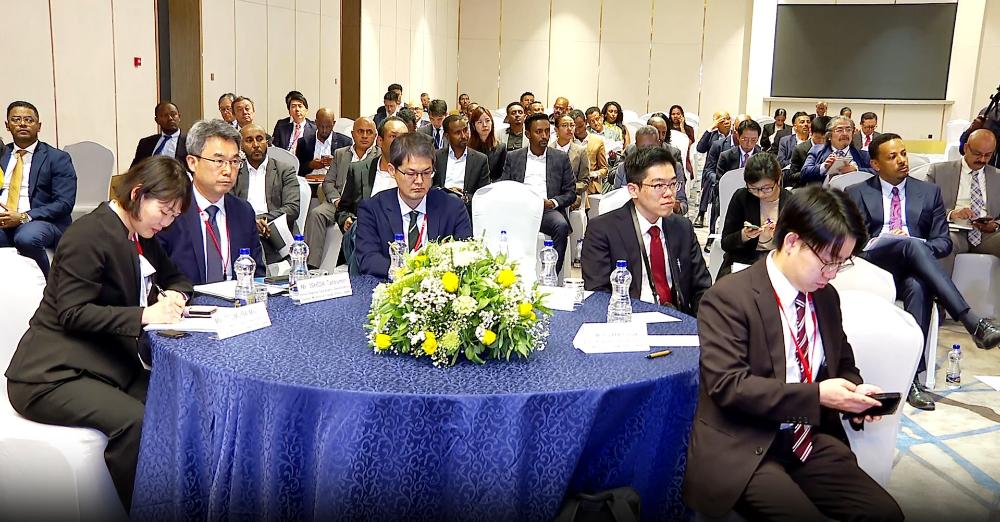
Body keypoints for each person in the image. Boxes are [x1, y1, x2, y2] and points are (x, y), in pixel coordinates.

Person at [683, 185, 903, 522]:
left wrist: (855, 394)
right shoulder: (728, 297)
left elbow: (842, 363)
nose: (831, 274)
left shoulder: (825, 297)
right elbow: (729, 386)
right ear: (791, 242)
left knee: (885, 514)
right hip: (744, 444)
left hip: (808, 438)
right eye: (827, 262)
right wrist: (818, 395)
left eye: (842, 264)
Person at [5, 156, 194, 511]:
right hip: (49, 375)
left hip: (104, 364)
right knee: (134, 423)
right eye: (164, 211)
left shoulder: (141, 234)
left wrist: (176, 295)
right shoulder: (88, 234)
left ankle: (182, 500)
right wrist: (145, 315)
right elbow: (73, 313)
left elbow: (178, 278)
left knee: (175, 397)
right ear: (137, 194)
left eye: (174, 216)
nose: (166, 222)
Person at [846, 133, 1000, 410]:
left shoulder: (929, 192)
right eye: (892, 156)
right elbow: (850, 242)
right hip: (874, 265)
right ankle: (972, 321)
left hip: (914, 267)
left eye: (903, 153)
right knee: (909, 246)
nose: (902, 160)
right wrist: (886, 240)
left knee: (918, 285)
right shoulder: (856, 192)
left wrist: (917, 245)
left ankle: (912, 380)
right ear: (876, 164)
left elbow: (942, 242)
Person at [582, 147, 709, 316]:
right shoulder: (602, 230)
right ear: (633, 190)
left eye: (673, 184)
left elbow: (702, 287)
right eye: (658, 185)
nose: (669, 193)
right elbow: (599, 296)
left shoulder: (682, 227)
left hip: (679, 319)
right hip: (628, 320)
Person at [157, 119, 264, 283]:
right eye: (219, 161)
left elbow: (257, 273)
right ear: (192, 163)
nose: (228, 170)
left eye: (234, 161)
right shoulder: (170, 211)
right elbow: (158, 279)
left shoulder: (243, 211)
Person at [355, 132, 472, 279]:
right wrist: (408, 273)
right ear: (392, 170)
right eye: (411, 174)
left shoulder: (453, 207)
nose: (419, 181)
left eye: (426, 173)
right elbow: (368, 259)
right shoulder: (372, 209)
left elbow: (466, 254)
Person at [0, 101, 78, 275]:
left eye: (29, 120)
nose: (22, 124)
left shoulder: (57, 158)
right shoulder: (2, 155)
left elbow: (64, 203)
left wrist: (24, 216)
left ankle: (52, 284)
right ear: (7, 125)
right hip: (3, 221)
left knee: (27, 238)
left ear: (39, 126)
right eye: (16, 119)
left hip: (39, 221)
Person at [501, 113, 576, 273]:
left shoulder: (560, 158)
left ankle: (550, 275)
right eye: (539, 132)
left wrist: (553, 202)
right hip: (520, 209)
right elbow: (505, 187)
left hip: (546, 210)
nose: (544, 136)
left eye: (547, 131)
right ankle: (511, 274)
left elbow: (571, 193)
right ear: (528, 134)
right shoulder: (513, 157)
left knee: (561, 225)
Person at [302, 117, 379, 266]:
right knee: (316, 213)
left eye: (369, 132)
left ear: (375, 136)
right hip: (338, 203)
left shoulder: (379, 156)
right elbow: (328, 182)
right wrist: (336, 200)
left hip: (364, 205)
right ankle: (312, 265)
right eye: (360, 131)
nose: (364, 136)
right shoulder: (340, 153)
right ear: (353, 134)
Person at [335, 117, 408, 270]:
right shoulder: (359, 170)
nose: (400, 142)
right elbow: (342, 210)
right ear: (380, 141)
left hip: (403, 241)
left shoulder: (415, 174)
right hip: (364, 240)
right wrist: (346, 219)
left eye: (404, 137)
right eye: (393, 136)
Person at [928, 129, 1000, 276]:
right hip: (953, 230)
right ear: (966, 148)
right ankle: (940, 289)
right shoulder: (938, 171)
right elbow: (924, 206)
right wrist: (951, 214)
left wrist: (996, 225)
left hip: (987, 234)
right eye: (977, 154)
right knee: (945, 242)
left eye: (988, 155)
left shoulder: (998, 176)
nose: (982, 160)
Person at [232, 124, 300, 264]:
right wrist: (251, 223)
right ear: (241, 146)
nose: (256, 145)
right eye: (249, 140)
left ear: (267, 142)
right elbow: (229, 208)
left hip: (276, 232)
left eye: (260, 139)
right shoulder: (234, 173)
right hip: (244, 232)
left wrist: (258, 220)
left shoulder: (284, 170)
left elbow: (292, 208)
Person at [719, 153, 793, 277]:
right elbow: (725, 243)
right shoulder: (742, 197)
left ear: (778, 179)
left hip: (778, 262)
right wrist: (744, 235)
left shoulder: (791, 202)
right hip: (744, 260)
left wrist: (779, 236)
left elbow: (800, 246)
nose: (760, 194)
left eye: (766, 188)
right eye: (753, 188)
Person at [612, 126, 688, 216]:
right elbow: (615, 202)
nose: (647, 152)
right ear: (636, 146)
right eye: (643, 148)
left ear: (659, 144)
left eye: (651, 147)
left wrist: (675, 207)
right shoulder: (623, 168)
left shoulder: (674, 168)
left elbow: (683, 206)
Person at [433, 114, 490, 205]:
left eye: (465, 130)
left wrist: (465, 197)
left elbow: (483, 194)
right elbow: (430, 187)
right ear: (447, 136)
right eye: (457, 133)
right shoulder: (436, 157)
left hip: (465, 207)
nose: (463, 136)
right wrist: (445, 193)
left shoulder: (480, 160)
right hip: (440, 205)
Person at [801, 115, 874, 185]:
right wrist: (824, 167)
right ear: (829, 135)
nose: (845, 133)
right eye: (839, 130)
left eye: (848, 130)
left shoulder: (864, 155)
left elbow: (876, 172)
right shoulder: (817, 150)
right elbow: (804, 173)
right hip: (823, 192)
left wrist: (856, 170)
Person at [694, 110, 734, 228]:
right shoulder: (712, 135)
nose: (726, 122)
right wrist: (710, 128)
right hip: (713, 169)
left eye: (728, 118)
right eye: (722, 119)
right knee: (709, 181)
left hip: (730, 169)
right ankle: (701, 213)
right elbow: (700, 148)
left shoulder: (735, 136)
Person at [294, 108, 353, 177]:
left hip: (334, 181)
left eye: (328, 127)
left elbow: (350, 169)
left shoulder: (345, 142)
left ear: (333, 123)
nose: (324, 130)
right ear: (316, 123)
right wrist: (310, 165)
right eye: (321, 126)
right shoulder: (304, 142)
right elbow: (297, 169)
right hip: (309, 181)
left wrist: (336, 163)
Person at [549, 114, 589, 210]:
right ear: (556, 130)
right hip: (550, 194)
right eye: (564, 125)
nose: (569, 129)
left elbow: (584, 181)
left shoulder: (581, 151)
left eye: (572, 125)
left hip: (571, 195)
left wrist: (568, 190)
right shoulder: (548, 149)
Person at [131, 101, 188, 167]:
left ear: (179, 117)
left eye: (173, 114)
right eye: (165, 115)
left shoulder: (189, 142)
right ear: (157, 120)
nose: (170, 118)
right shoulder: (145, 143)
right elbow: (135, 168)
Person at [569, 109, 609, 195]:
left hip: (590, 184)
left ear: (586, 122)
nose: (577, 131)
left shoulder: (597, 141)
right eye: (573, 127)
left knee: (582, 188)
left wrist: (593, 174)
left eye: (580, 126)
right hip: (571, 182)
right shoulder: (567, 141)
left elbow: (604, 169)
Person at [787, 116, 830, 187]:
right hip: (806, 188)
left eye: (825, 139)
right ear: (811, 132)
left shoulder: (831, 147)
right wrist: (813, 171)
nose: (822, 142)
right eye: (818, 138)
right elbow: (792, 176)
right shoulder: (799, 149)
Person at [468, 106, 508, 182]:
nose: (485, 125)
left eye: (487, 121)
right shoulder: (468, 147)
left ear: (492, 123)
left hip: (493, 186)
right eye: (479, 122)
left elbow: (502, 174)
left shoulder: (501, 147)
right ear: (473, 126)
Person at [669, 104, 697, 180]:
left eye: (678, 114)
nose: (675, 116)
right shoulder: (667, 128)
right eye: (673, 114)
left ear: (682, 115)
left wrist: (682, 127)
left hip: (685, 158)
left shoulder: (689, 129)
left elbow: (688, 144)